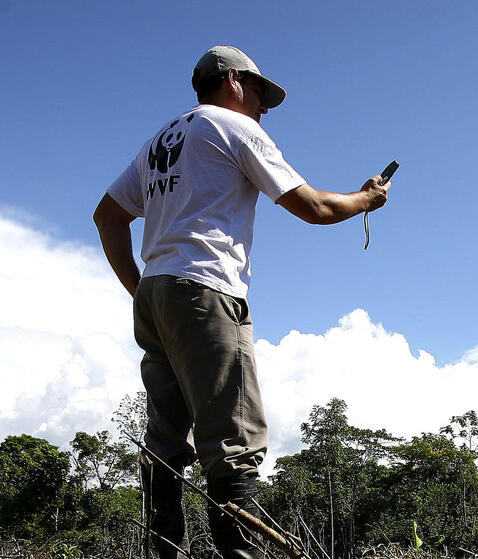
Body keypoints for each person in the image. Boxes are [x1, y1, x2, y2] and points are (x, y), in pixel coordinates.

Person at [93, 45, 392, 559]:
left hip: (158, 296)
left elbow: (107, 215)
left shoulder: (162, 141)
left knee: (164, 445)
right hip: (206, 291)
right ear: (232, 79)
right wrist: (368, 199)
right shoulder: (235, 128)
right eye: (258, 90)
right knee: (234, 444)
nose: (264, 106)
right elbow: (316, 208)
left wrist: (142, 288)